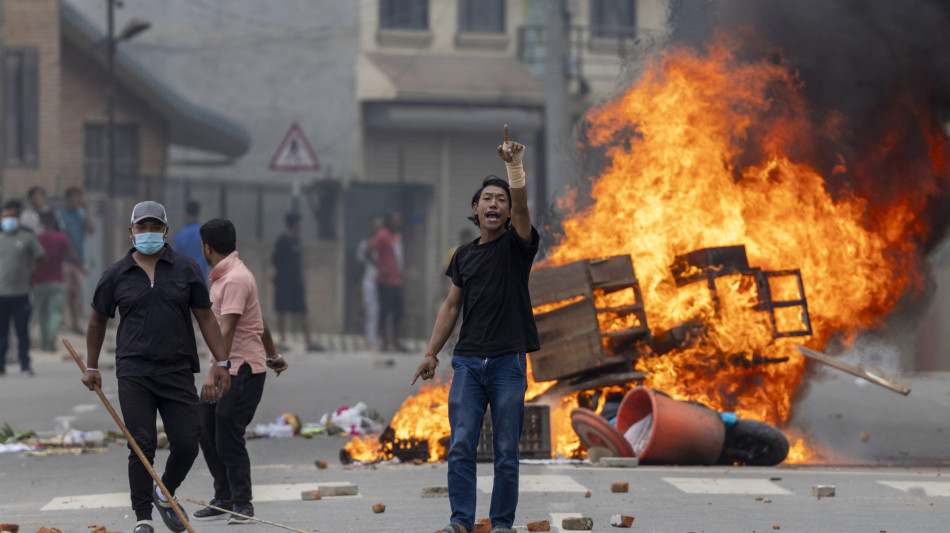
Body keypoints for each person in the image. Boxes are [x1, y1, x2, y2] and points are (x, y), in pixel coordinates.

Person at [412, 126, 540, 533]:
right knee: (462, 445)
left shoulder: (518, 245)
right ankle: (461, 523)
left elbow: (522, 211)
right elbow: (451, 306)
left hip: (507, 363)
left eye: (501, 200)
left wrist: (514, 168)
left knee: (505, 451)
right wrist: (432, 353)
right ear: (476, 207)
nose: (495, 204)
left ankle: (501, 524)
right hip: (467, 363)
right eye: (488, 198)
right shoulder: (464, 256)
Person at [81, 200, 232, 533]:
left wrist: (222, 362)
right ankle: (143, 518)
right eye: (142, 227)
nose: (148, 233)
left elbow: (206, 318)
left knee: (188, 441)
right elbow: (97, 322)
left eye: (154, 227)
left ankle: (165, 493)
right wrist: (91, 366)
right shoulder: (116, 275)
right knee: (142, 443)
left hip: (177, 369)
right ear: (131, 231)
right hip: (134, 371)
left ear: (166, 231)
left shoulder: (187, 269)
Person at [192, 218, 288, 524]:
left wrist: (215, 370)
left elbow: (228, 329)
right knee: (205, 426)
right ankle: (224, 496)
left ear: (207, 247)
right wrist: (273, 355)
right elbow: (259, 323)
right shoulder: (226, 277)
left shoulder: (235, 279)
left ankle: (243, 502)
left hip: (241, 370)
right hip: (231, 366)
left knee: (227, 430)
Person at [0, 200, 45, 376]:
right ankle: (1, 364)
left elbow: (40, 257)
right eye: (5, 217)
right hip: (1, 294)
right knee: (1, 331)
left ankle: (25, 364)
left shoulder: (26, 237)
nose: (8, 220)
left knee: (21, 331)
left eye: (11, 217)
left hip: (21, 293)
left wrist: (32, 277)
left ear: (17, 218)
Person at [34, 212, 84, 352]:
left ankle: (45, 343)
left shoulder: (36, 238)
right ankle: (51, 337)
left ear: (42, 223)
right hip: (57, 279)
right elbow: (71, 255)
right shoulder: (61, 238)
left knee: (42, 313)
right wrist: (81, 266)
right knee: (55, 312)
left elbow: (32, 259)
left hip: (39, 281)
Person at [271, 212, 321, 351]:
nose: (301, 225)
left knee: (302, 311)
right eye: (299, 222)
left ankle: (309, 342)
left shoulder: (297, 240)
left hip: (297, 282)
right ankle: (282, 340)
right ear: (294, 223)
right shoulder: (282, 240)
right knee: (281, 310)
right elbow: (275, 260)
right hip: (283, 282)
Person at [56, 186, 96, 334]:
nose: (74, 201)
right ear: (67, 199)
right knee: (62, 292)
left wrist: (88, 212)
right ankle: (61, 321)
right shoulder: (60, 215)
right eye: (72, 197)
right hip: (63, 259)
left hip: (79, 259)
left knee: (75, 292)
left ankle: (75, 323)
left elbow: (91, 230)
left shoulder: (81, 215)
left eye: (77, 198)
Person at [369, 211, 406, 352]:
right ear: (388, 222)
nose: (397, 224)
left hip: (396, 280)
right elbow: (368, 251)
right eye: (394, 221)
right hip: (385, 281)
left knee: (398, 311)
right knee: (385, 312)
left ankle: (395, 342)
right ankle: (384, 343)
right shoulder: (382, 235)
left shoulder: (397, 236)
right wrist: (380, 268)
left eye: (399, 221)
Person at [356, 217, 384, 350]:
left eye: (380, 226)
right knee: (370, 311)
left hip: (384, 281)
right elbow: (360, 266)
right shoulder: (365, 244)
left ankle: (383, 339)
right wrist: (359, 284)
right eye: (375, 226)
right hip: (369, 281)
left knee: (382, 310)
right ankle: (370, 340)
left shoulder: (387, 244)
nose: (377, 229)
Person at [172, 200, 210, 281]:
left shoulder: (180, 235)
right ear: (199, 213)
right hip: (200, 277)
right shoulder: (205, 234)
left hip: (184, 279)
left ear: (185, 213)